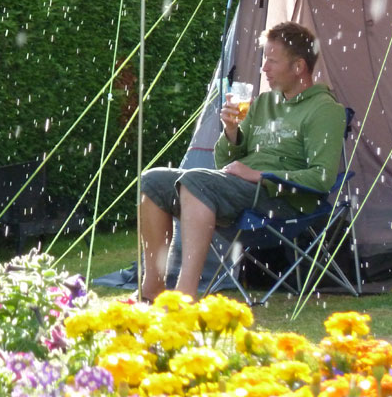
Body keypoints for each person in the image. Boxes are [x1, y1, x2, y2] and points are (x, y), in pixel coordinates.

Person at [139, 21, 346, 301]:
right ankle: (152, 291)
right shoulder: (263, 104)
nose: (264, 68)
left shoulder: (325, 110)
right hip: (241, 190)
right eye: (264, 60)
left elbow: (322, 178)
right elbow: (223, 160)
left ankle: (184, 297)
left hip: (282, 200)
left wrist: (260, 175)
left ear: (298, 66)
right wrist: (232, 131)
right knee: (153, 181)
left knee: (195, 181)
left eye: (272, 61)